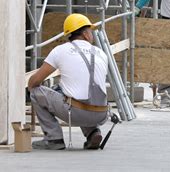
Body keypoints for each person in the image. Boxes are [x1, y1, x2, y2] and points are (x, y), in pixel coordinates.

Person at [28, 13, 109, 150]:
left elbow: (35, 81)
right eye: (90, 31)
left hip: (75, 112)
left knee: (36, 92)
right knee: (81, 93)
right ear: (85, 34)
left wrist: (33, 86)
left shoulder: (60, 51)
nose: (92, 35)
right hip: (101, 113)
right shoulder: (100, 53)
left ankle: (53, 139)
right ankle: (93, 132)